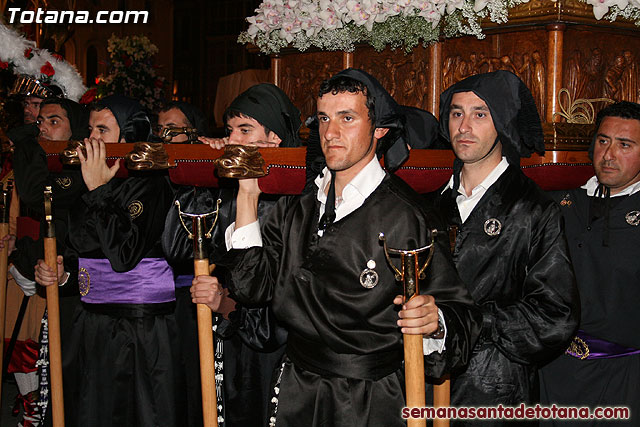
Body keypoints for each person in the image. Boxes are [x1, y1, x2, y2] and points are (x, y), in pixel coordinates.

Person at [195, 68, 481, 427]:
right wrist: (248, 195)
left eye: (347, 118)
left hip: (368, 399)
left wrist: (434, 321)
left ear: (379, 129)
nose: (330, 133)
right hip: (296, 388)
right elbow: (253, 288)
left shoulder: (406, 216)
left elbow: (464, 316)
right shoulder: (298, 204)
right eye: (325, 119)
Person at [429, 70, 580, 421]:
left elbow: (555, 316)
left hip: (495, 393)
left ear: (503, 122)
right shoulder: (431, 206)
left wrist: (469, 321)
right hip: (425, 387)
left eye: (479, 114)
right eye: (456, 113)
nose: (464, 126)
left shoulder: (533, 210)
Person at [34, 95, 178, 427]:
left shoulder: (151, 182)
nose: (92, 140)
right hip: (91, 323)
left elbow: (124, 255)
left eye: (103, 130)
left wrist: (99, 189)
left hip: (138, 329)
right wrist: (61, 276)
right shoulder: (88, 181)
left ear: (128, 136)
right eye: (89, 129)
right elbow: (79, 252)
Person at [164, 84, 300, 426]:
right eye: (229, 131)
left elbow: (269, 302)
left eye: (245, 130)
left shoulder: (294, 200)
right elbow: (178, 246)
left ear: (274, 140)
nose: (232, 140)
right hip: (233, 336)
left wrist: (224, 303)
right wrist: (200, 174)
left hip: (276, 348)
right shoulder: (228, 186)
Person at [539, 101, 640, 426]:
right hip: (552, 376)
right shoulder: (560, 205)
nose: (609, 154)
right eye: (603, 140)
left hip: (622, 380)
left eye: (625, 145)